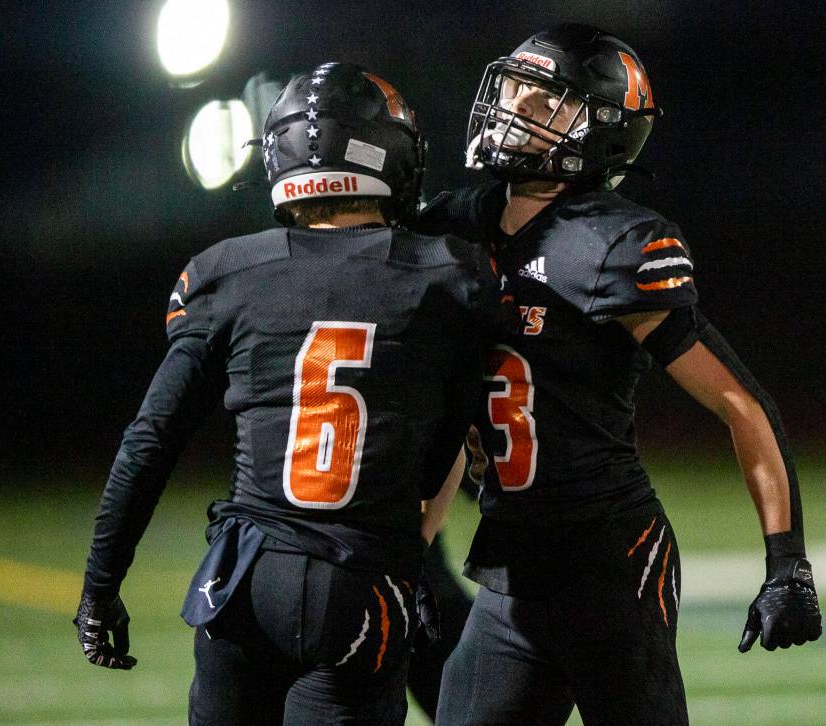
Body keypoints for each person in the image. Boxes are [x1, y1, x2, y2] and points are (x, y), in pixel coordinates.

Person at [73, 62, 515, 725]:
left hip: (244, 580)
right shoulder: (448, 275)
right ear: (388, 154)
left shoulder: (226, 273)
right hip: (359, 584)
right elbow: (438, 457)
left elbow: (151, 438)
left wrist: (100, 588)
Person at [416, 24, 823, 725]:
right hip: (510, 569)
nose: (513, 108)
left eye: (542, 103)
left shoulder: (612, 243)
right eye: (514, 89)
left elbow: (739, 403)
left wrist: (787, 561)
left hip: (610, 563)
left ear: (599, 128)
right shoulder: (455, 225)